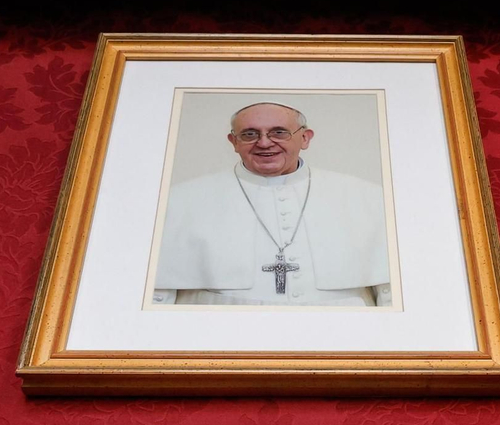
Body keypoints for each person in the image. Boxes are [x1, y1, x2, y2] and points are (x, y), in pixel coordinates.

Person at [151, 102, 393, 306]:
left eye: (279, 132)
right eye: (249, 134)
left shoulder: (369, 197)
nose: (264, 143)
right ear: (233, 142)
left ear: (305, 138)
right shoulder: (179, 200)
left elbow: (390, 293)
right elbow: (156, 296)